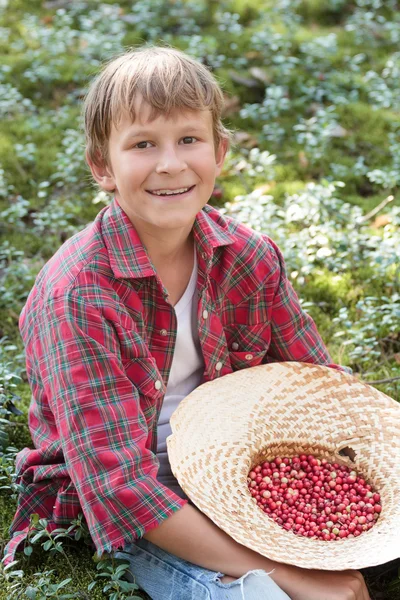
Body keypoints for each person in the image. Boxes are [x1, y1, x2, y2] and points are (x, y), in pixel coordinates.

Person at [3, 46, 371, 600]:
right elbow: (119, 487)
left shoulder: (248, 256)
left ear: (220, 152)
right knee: (262, 596)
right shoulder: (76, 297)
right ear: (102, 165)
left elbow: (315, 383)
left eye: (189, 140)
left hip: (233, 465)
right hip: (137, 496)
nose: (170, 164)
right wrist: (287, 572)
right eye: (143, 144)